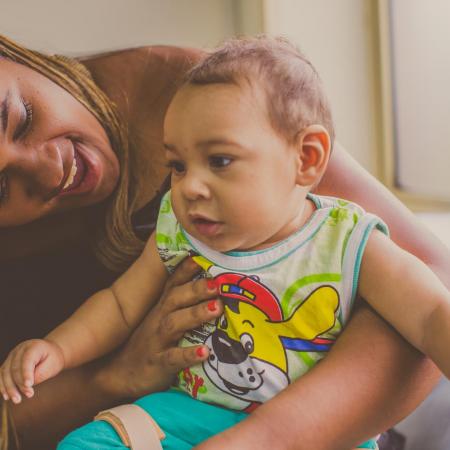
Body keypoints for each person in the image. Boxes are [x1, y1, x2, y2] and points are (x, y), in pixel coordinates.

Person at [0, 33, 447, 450]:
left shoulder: (347, 240)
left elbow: (429, 314)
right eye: (177, 166)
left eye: (219, 160)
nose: (190, 186)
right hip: (190, 410)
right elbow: (118, 305)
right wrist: (58, 350)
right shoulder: (179, 228)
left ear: (307, 159)